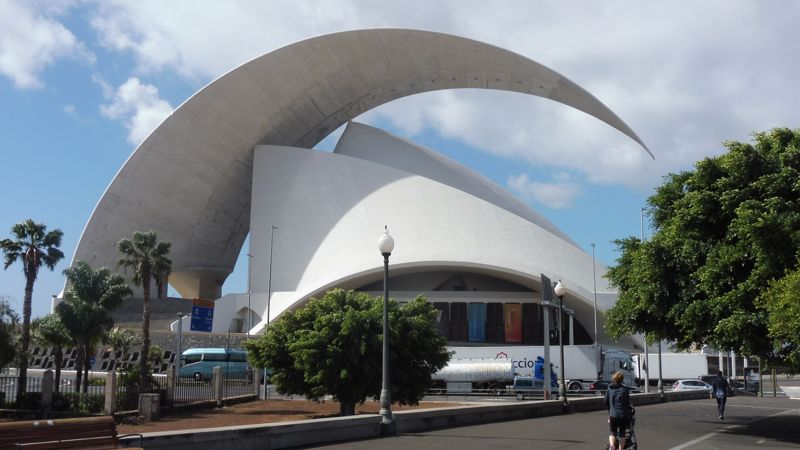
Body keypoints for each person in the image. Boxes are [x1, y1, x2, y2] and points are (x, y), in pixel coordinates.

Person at [604, 371, 632, 450]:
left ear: (614, 379)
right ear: (622, 379)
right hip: (623, 415)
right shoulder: (625, 389)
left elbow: (605, 401)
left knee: (612, 432)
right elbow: (627, 402)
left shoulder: (610, 388)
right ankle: (620, 449)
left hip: (613, 415)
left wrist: (610, 411)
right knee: (622, 433)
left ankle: (612, 446)